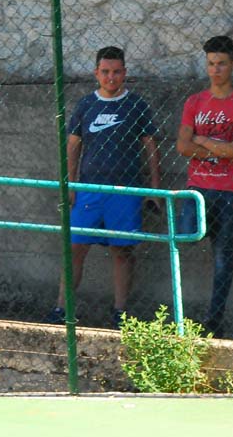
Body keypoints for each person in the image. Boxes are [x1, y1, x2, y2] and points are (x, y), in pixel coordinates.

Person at [45, 46, 160, 327]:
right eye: (105, 71)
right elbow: (73, 146)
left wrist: (154, 188)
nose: (111, 77)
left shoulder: (136, 105)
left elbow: (150, 146)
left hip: (125, 192)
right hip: (89, 191)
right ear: (96, 73)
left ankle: (120, 313)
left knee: (122, 251)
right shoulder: (86, 105)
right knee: (75, 248)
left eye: (116, 72)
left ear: (125, 73)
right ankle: (62, 310)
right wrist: (71, 185)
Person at [175, 35, 233, 338]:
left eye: (221, 63)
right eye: (211, 64)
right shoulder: (194, 102)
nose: (215, 70)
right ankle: (178, 315)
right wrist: (218, 148)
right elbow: (182, 146)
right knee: (183, 237)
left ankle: (214, 319)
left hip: (230, 189)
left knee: (223, 255)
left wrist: (203, 139)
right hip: (198, 187)